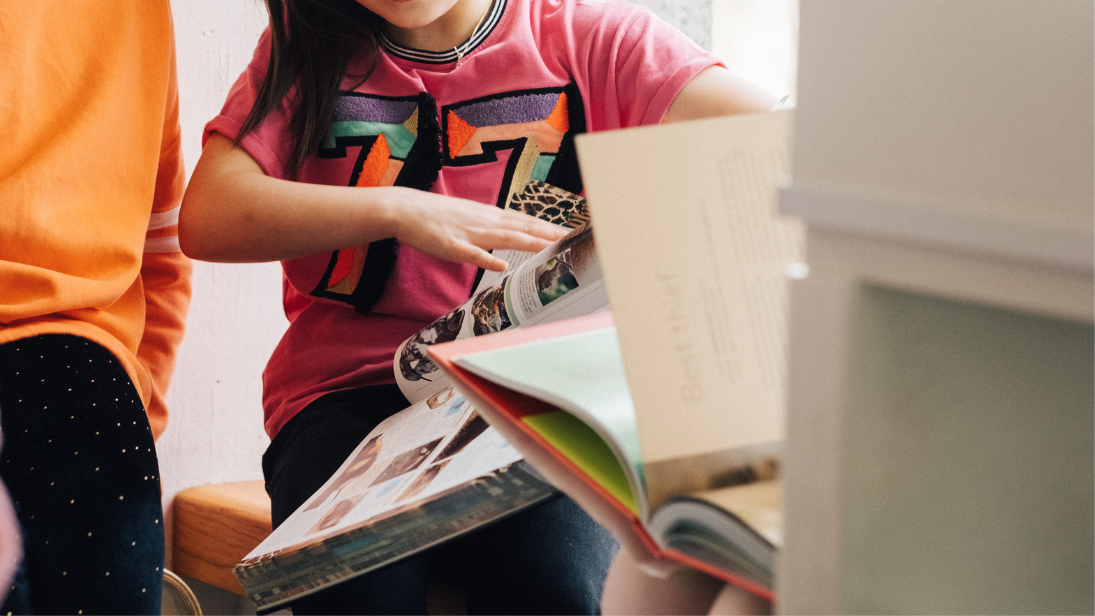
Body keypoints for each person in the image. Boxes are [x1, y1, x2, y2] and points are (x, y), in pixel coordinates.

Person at [180, 0, 773, 612]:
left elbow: (781, 135)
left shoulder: (595, 38)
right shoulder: (306, 50)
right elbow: (208, 216)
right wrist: (400, 210)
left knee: (554, 586)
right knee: (359, 598)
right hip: (349, 403)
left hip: (539, 397)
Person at [0, 1, 192, 614]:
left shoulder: (142, 14)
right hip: (91, 378)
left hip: (87, 379)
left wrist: (140, 400)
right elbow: (164, 244)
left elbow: (162, 239)